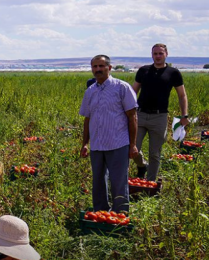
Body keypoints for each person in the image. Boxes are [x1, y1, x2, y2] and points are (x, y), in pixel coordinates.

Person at [79, 55, 138, 214]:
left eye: (101, 66)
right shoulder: (90, 91)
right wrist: (85, 143)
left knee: (119, 181)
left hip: (118, 143)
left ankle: (120, 215)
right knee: (98, 181)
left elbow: (132, 116)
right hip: (97, 145)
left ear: (109, 68)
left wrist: (132, 145)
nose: (97, 70)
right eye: (95, 67)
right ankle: (101, 214)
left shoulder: (122, 87)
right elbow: (87, 119)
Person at [131, 43, 189, 181]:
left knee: (155, 153)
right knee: (133, 149)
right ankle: (142, 166)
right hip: (140, 115)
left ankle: (150, 185)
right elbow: (133, 91)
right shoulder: (143, 71)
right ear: (152, 55)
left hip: (160, 117)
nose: (157, 56)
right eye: (155, 53)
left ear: (166, 54)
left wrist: (184, 115)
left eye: (160, 53)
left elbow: (182, 95)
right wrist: (127, 112)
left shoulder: (173, 73)